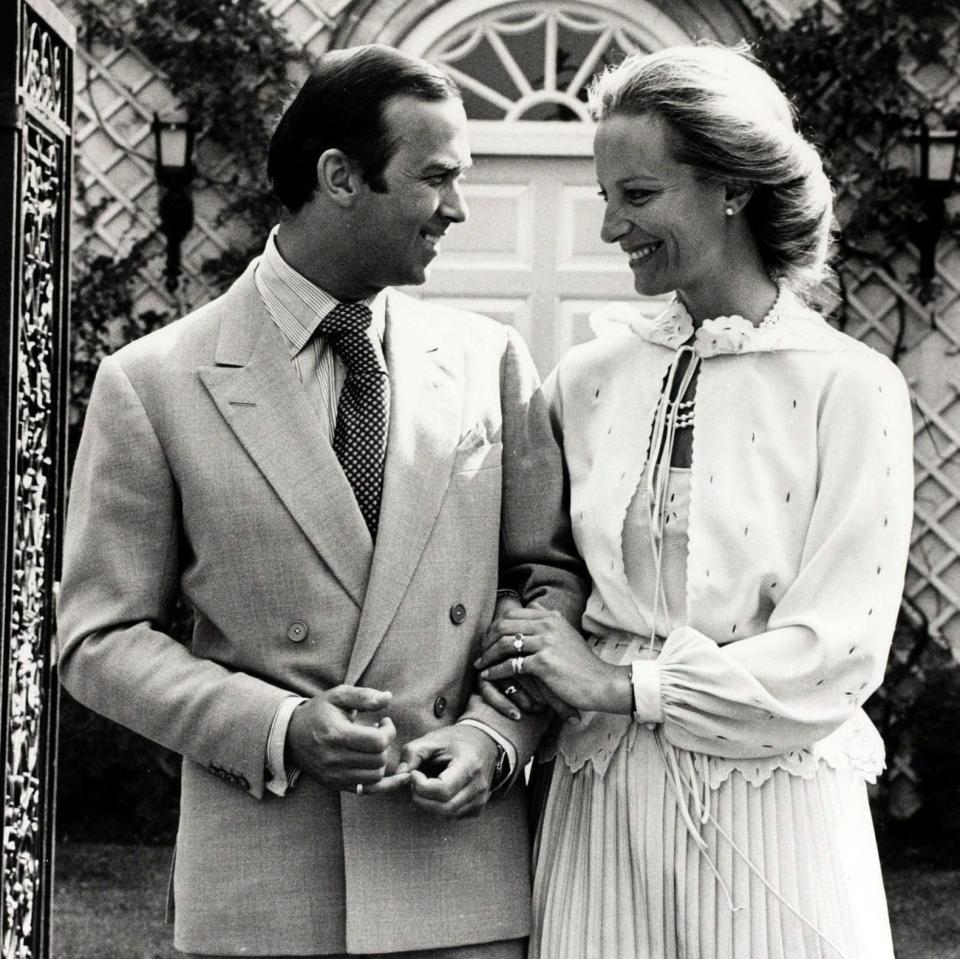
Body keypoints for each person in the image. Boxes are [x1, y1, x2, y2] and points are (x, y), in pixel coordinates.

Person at [57, 45, 585, 959]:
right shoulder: (154, 382)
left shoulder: (487, 361)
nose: (458, 209)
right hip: (262, 890)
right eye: (436, 178)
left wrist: (496, 737)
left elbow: (543, 582)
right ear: (340, 176)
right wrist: (279, 727)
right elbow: (98, 639)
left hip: (457, 883)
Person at [477, 44, 913, 959]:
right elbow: (532, 572)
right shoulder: (584, 380)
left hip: (773, 802)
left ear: (731, 187)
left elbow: (840, 647)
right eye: (605, 197)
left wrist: (624, 684)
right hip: (608, 801)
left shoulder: (851, 386)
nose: (609, 227)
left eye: (636, 197)